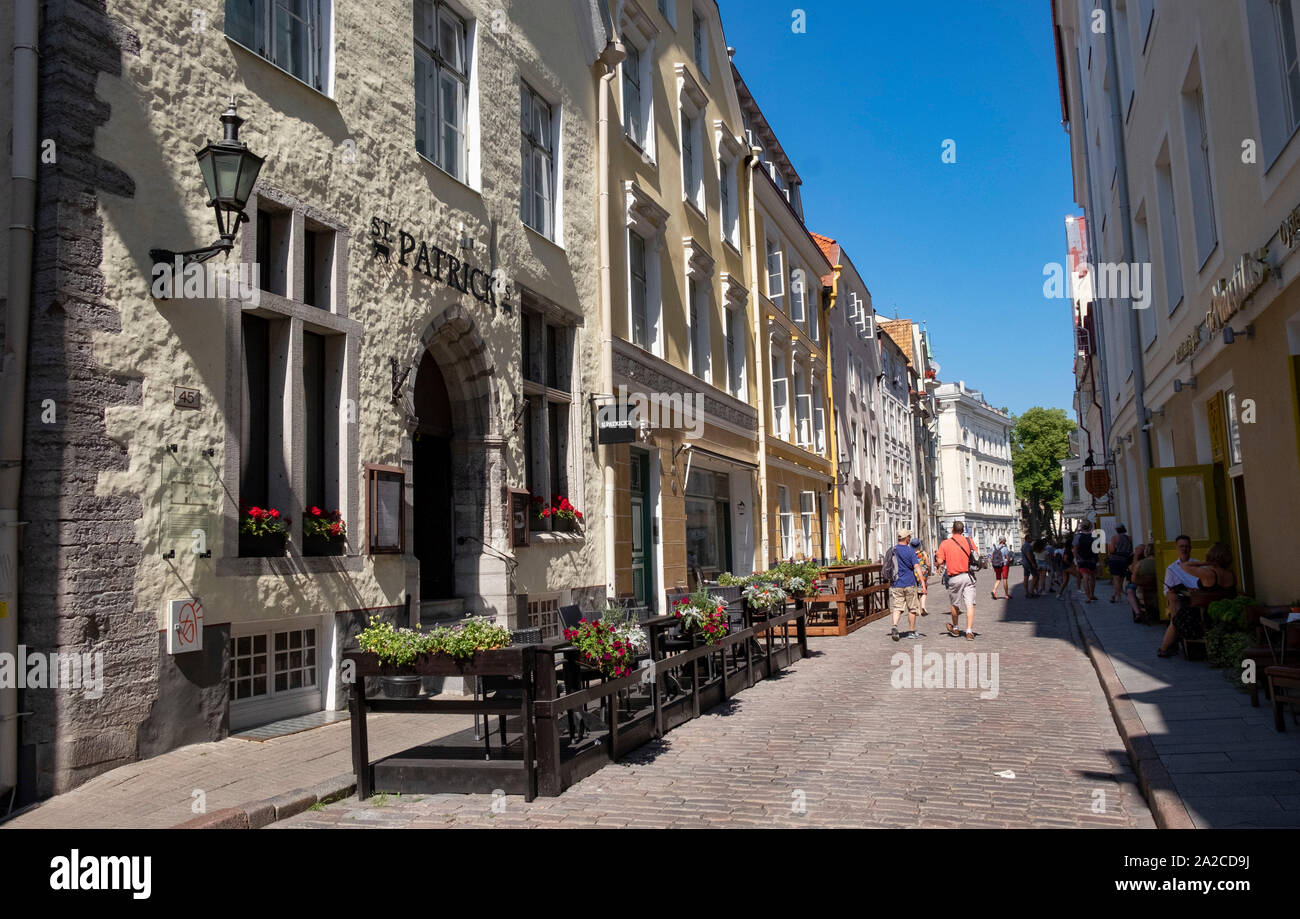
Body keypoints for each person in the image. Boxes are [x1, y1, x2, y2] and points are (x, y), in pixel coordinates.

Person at [1158, 540, 1234, 657]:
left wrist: (1205, 563)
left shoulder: (1209, 574)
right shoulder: (1231, 575)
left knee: (1176, 618)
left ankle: (1163, 649)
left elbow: (1185, 565)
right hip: (1223, 611)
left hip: (1204, 615)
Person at [935, 521, 980, 640]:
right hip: (969, 576)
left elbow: (940, 561)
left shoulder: (945, 543)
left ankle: (955, 628)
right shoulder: (969, 541)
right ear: (963, 530)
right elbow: (976, 555)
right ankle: (969, 631)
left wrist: (940, 560)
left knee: (955, 605)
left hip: (955, 577)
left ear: (952, 530)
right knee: (969, 604)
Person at [887, 529, 926, 640]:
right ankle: (911, 631)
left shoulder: (892, 550)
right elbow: (917, 567)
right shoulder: (910, 551)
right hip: (909, 583)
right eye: (909, 536)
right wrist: (922, 582)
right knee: (912, 608)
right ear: (906, 538)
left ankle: (894, 626)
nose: (910, 538)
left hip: (896, 583)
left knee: (897, 607)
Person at [1124, 543, 1156, 624]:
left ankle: (1138, 613)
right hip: (1158, 588)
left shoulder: (1140, 564)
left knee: (1130, 590)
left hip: (1143, 590)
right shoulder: (1161, 562)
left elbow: (1134, 579)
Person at [1074, 520, 1099, 603]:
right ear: (1090, 527)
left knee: (1085, 577)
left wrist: (1076, 559)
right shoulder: (1094, 536)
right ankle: (1092, 594)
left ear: (1081, 527)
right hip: (1092, 559)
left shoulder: (1078, 536)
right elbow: (1097, 549)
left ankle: (1087, 597)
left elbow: (1075, 549)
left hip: (1082, 559)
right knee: (1092, 577)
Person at [1107, 524, 1134, 603]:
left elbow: (1112, 550)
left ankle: (1118, 597)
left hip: (1115, 559)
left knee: (1116, 579)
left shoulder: (1114, 538)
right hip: (1124, 560)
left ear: (1116, 530)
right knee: (1121, 579)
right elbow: (1131, 549)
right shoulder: (1129, 538)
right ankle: (1115, 595)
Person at [910, 537, 930, 615]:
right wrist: (928, 568)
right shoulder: (923, 553)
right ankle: (923, 607)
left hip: (914, 573)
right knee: (923, 590)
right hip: (923, 573)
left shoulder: (911, 554)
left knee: (916, 591)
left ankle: (917, 609)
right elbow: (927, 564)